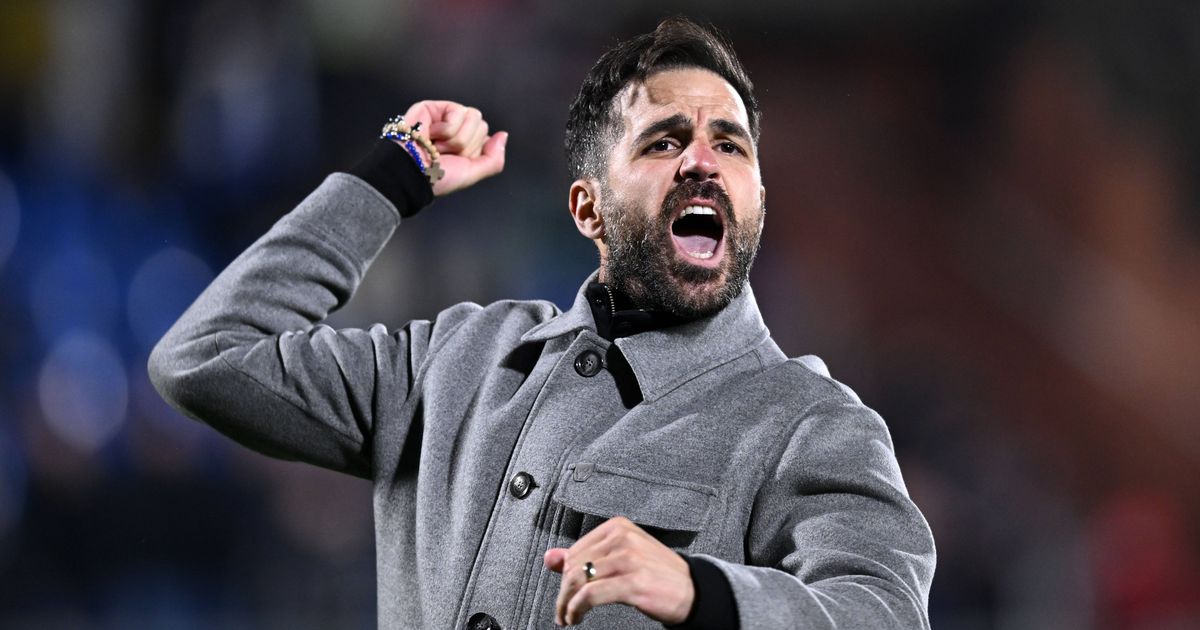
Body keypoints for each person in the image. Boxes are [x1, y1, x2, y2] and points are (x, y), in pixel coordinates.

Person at [149, 17, 935, 630]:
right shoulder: (457, 361)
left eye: (730, 145)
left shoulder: (807, 422)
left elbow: (885, 613)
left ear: (757, 199)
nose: (702, 161)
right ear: (588, 209)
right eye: (664, 141)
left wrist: (706, 593)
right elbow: (205, 357)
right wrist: (392, 177)